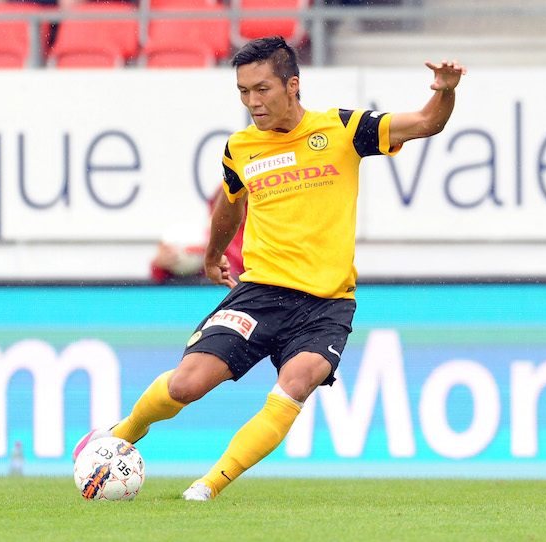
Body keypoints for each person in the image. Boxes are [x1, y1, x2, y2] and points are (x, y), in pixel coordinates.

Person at [74, 36, 466, 501]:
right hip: (259, 293)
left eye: (262, 89)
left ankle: (207, 487)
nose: (252, 102)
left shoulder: (343, 129)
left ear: (292, 85)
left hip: (326, 304)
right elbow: (229, 203)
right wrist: (212, 255)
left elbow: (426, 122)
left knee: (296, 383)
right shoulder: (240, 148)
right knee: (185, 385)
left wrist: (444, 90)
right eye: (243, 91)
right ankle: (122, 432)